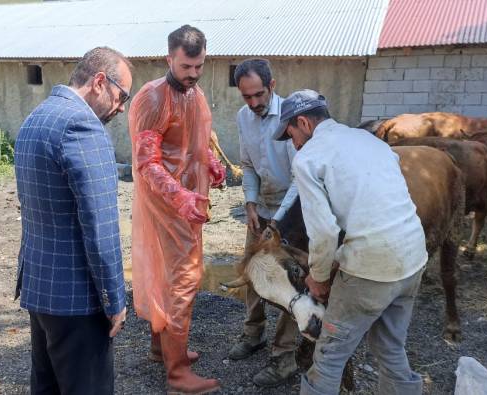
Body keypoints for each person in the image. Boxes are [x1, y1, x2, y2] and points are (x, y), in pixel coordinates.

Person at [272, 90, 428, 395]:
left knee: (329, 357)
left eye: (291, 134)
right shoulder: (370, 141)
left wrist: (317, 278)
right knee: (390, 349)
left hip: (370, 269)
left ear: (302, 122)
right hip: (413, 258)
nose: (294, 144)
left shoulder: (309, 158)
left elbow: (325, 233)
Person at [14, 46, 133, 395]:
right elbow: (100, 228)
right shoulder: (83, 127)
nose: (122, 106)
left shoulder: (37, 117)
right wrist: (114, 300)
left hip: (41, 289)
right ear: (99, 82)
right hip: (78, 300)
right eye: (121, 94)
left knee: (47, 387)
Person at [128, 25, 225, 395]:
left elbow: (197, 141)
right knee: (182, 281)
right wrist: (180, 196)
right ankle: (178, 373)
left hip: (190, 203)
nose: (194, 74)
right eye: (186, 66)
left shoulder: (194, 94)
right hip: (169, 206)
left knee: (164, 276)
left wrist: (210, 163)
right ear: (169, 58)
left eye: (199, 66)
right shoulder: (153, 98)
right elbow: (147, 163)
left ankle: (163, 349)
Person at [227, 58, 300, 388]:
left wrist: (278, 223)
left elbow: (301, 180)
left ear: (272, 86)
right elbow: (248, 165)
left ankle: (284, 356)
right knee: (253, 274)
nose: (254, 103)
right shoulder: (244, 117)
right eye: (246, 97)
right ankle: (253, 333)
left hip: (296, 213)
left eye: (259, 94)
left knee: (291, 283)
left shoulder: (293, 118)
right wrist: (251, 204)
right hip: (263, 209)